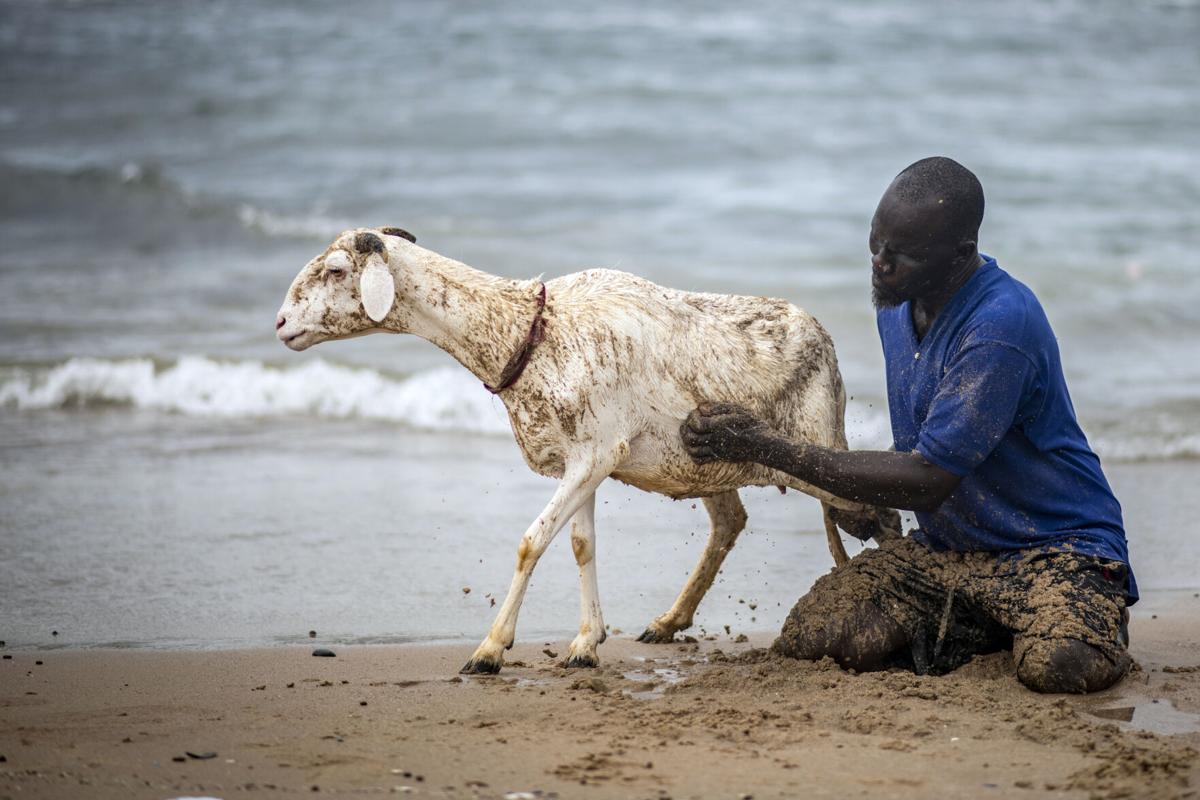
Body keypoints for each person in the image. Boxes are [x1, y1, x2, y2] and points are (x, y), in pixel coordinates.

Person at [679, 157, 1135, 693]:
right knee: (814, 636)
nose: (881, 264)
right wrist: (859, 501)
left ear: (962, 254)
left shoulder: (1000, 327)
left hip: (1057, 549)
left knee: (1057, 668)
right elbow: (919, 448)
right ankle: (989, 624)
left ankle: (1077, 620)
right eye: (876, 243)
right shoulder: (898, 305)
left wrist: (766, 448)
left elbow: (928, 477)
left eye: (904, 254)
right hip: (949, 555)